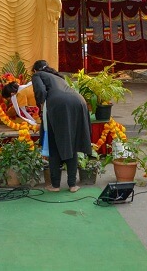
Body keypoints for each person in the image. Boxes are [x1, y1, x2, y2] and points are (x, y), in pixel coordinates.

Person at [31, 59, 92, 193]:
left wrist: (41, 105)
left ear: (35, 70)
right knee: (71, 143)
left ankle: (55, 185)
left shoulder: (37, 75)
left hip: (59, 106)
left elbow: (40, 91)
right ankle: (72, 185)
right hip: (79, 103)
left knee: (54, 144)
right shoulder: (57, 76)